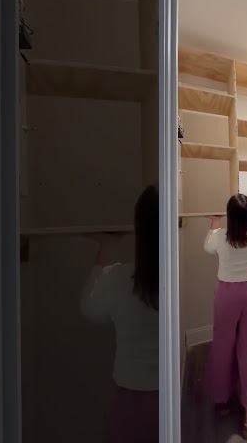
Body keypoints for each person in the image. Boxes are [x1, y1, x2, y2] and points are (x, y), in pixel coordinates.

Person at [81, 184, 159, 443]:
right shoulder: (179, 279)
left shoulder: (118, 279)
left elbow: (90, 310)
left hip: (131, 404)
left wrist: (108, 247)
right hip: (173, 398)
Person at [204, 194, 247, 440]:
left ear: (230, 216)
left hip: (227, 295)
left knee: (223, 346)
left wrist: (214, 221)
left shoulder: (220, 237)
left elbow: (207, 246)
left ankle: (221, 401)